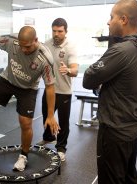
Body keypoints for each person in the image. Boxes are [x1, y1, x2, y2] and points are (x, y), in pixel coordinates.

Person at [0, 26, 60, 172]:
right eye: (21, 46)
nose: (24, 50)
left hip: (28, 89)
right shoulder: (12, 41)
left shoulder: (45, 58)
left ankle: (23, 156)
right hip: (8, 80)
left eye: (27, 46)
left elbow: (50, 87)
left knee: (25, 123)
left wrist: (51, 115)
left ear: (36, 40)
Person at [82, 0, 137, 183]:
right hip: (132, 124)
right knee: (128, 176)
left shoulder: (122, 50)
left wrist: (114, 48)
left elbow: (88, 79)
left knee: (111, 179)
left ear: (123, 19)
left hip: (115, 129)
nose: (108, 22)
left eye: (111, 17)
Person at [38, 18, 79, 162]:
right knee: (46, 116)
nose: (56, 34)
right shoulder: (47, 44)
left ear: (65, 32)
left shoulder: (70, 47)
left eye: (60, 31)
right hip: (49, 89)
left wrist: (68, 69)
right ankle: (48, 137)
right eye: (54, 31)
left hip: (64, 91)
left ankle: (61, 148)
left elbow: (75, 70)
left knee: (63, 121)